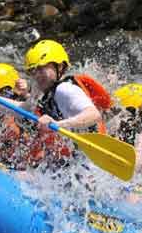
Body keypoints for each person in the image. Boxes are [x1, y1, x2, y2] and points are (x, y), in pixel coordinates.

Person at [14, 39, 109, 169]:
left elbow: (94, 115)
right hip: (76, 162)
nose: (37, 75)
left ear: (59, 67)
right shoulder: (46, 95)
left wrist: (59, 124)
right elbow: (19, 109)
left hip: (92, 164)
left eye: (42, 68)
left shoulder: (64, 89)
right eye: (33, 70)